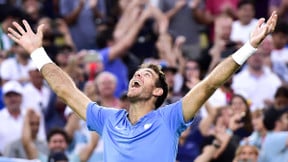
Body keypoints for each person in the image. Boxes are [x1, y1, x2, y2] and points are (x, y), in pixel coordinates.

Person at [7, 11, 278, 162]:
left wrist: (249, 46)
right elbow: (66, 90)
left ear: (158, 91)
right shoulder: (107, 118)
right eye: (137, 72)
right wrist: (37, 53)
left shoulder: (171, 117)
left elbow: (210, 84)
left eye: (146, 75)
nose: (137, 75)